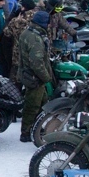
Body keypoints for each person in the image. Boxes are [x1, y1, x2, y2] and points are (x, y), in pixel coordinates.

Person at [13, 11, 54, 141]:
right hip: (34, 78)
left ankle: (38, 128)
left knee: (43, 103)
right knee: (32, 106)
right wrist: (47, 78)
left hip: (28, 75)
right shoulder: (36, 38)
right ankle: (26, 133)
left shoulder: (27, 32)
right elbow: (37, 63)